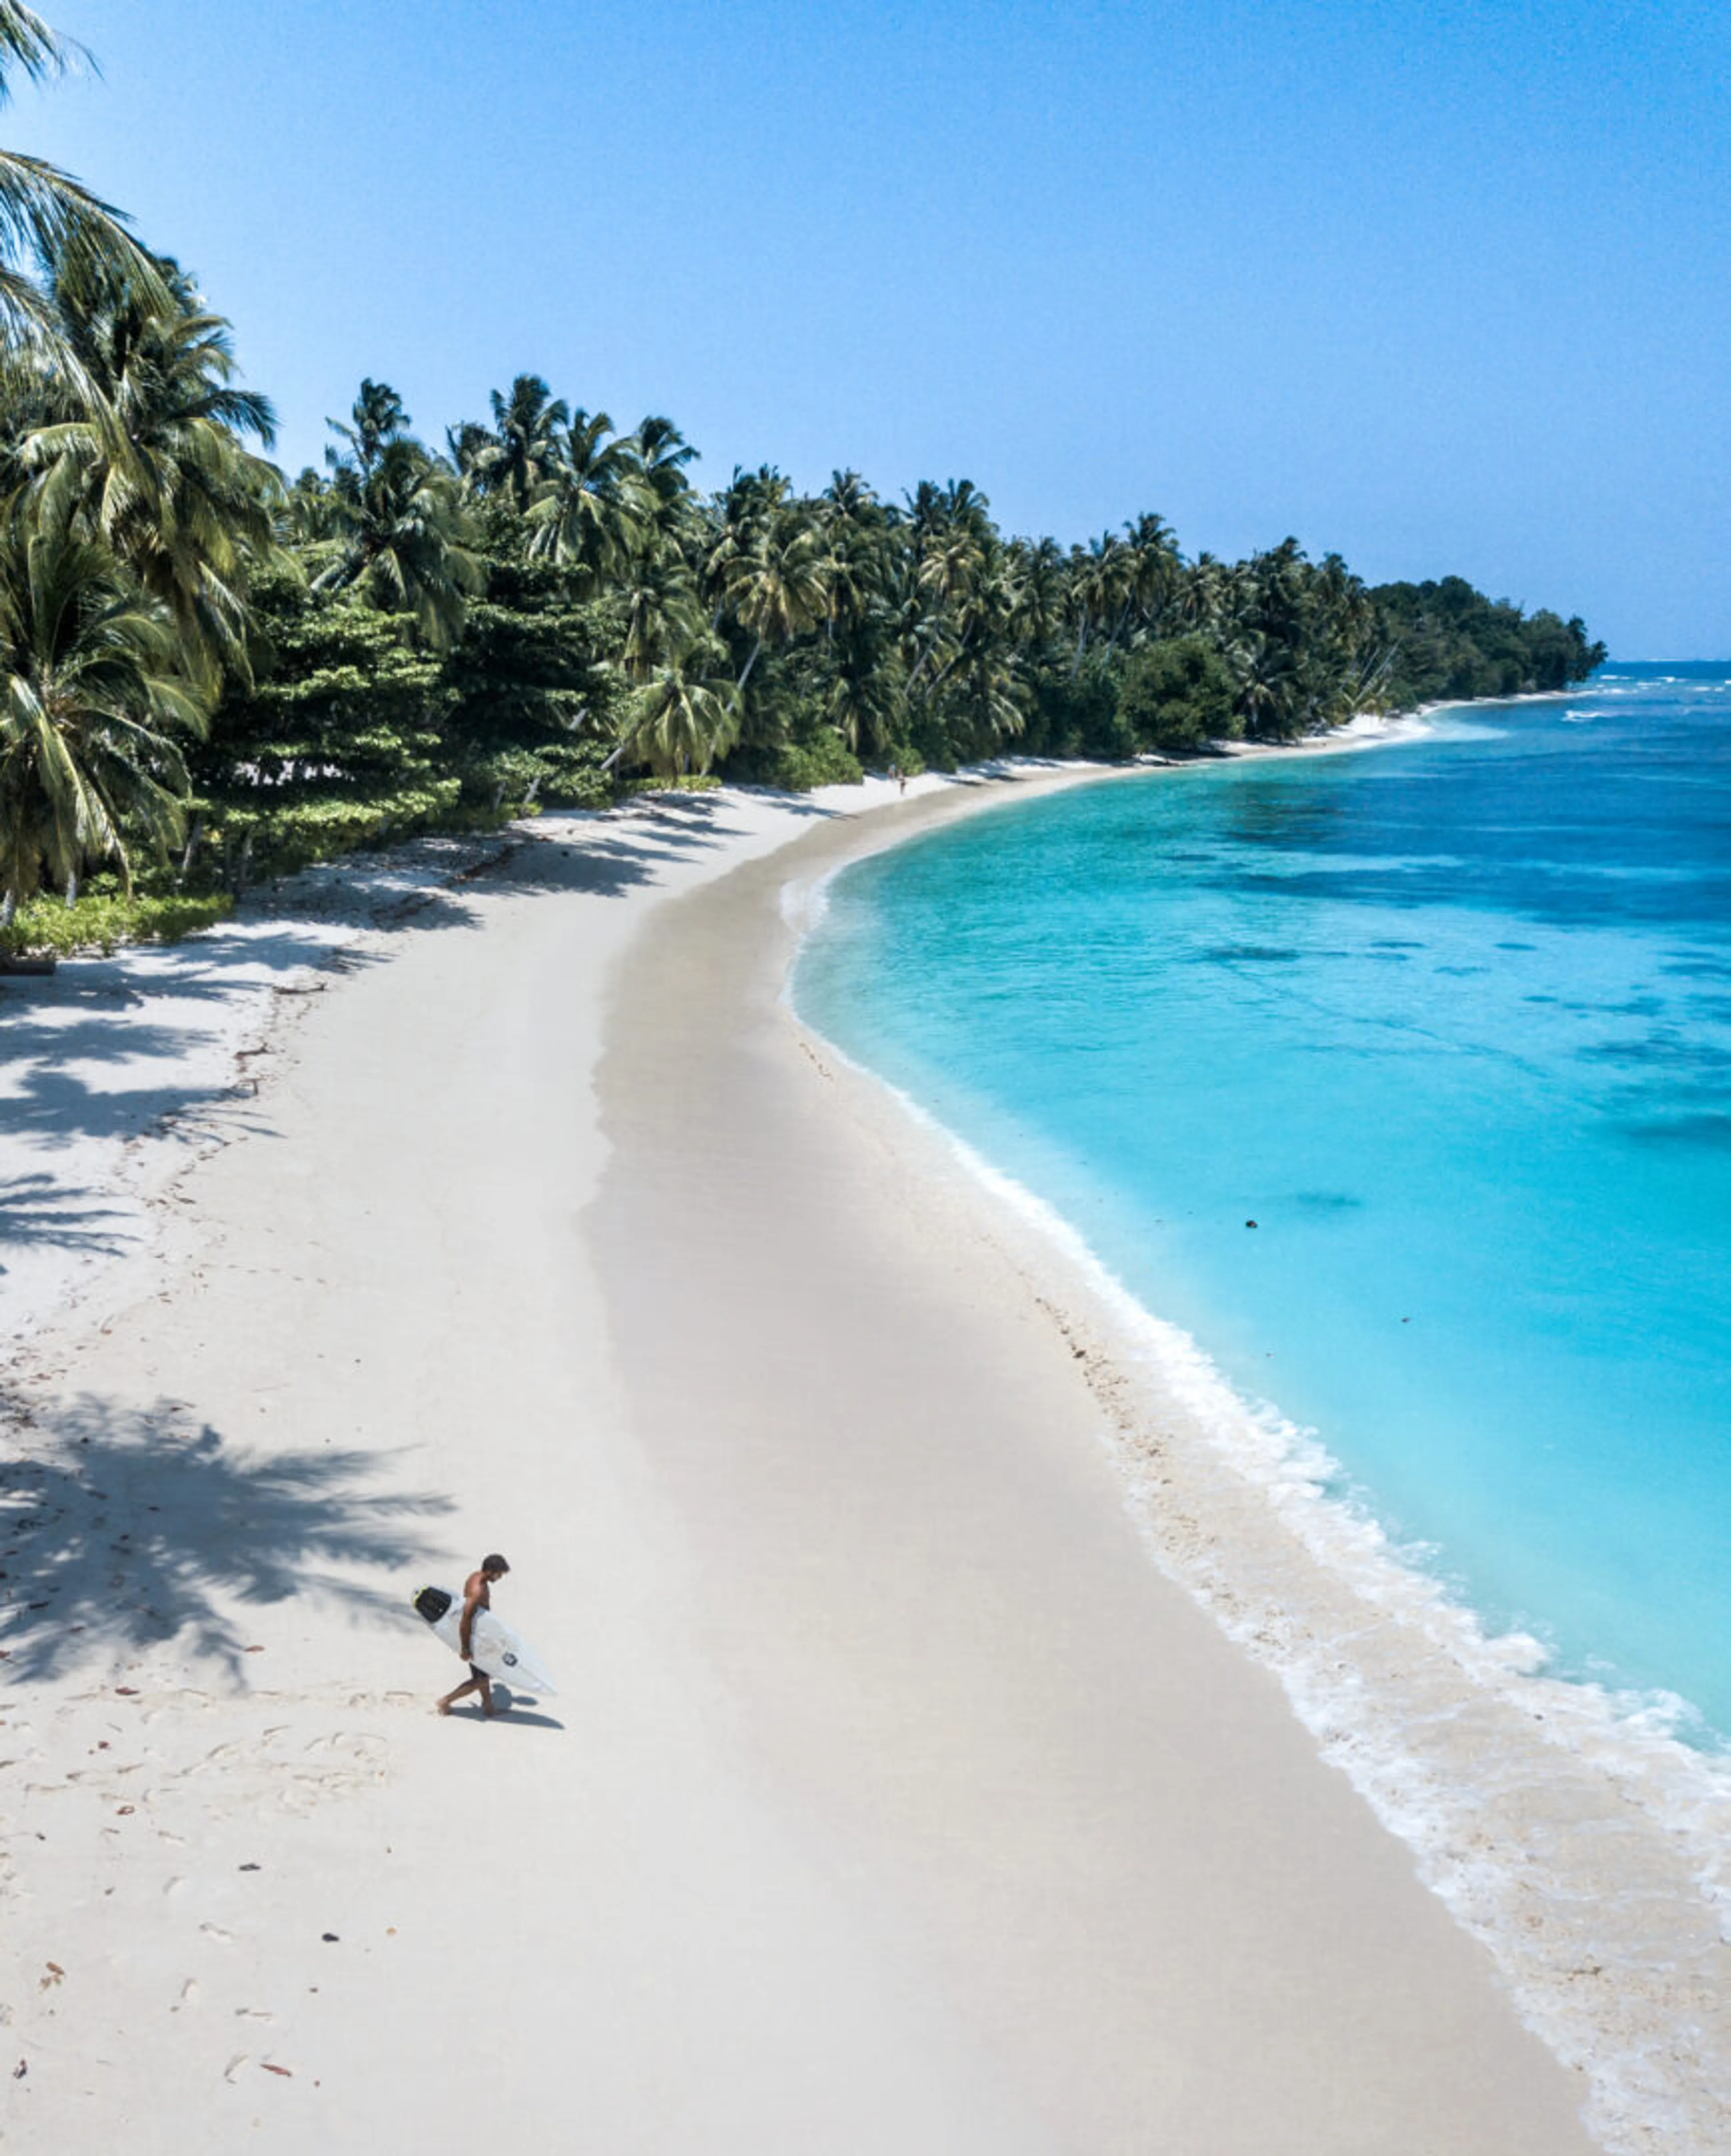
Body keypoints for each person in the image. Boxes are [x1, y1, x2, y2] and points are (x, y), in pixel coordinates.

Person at [435, 1554, 511, 1718]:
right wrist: (465, 1648)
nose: (500, 1578)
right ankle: (445, 1701)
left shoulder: (477, 1577)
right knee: (481, 1680)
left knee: (483, 1674)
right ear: (491, 1571)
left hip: (478, 1635)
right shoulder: (477, 1590)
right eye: (499, 1574)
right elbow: (465, 1619)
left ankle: (489, 1708)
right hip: (472, 1638)